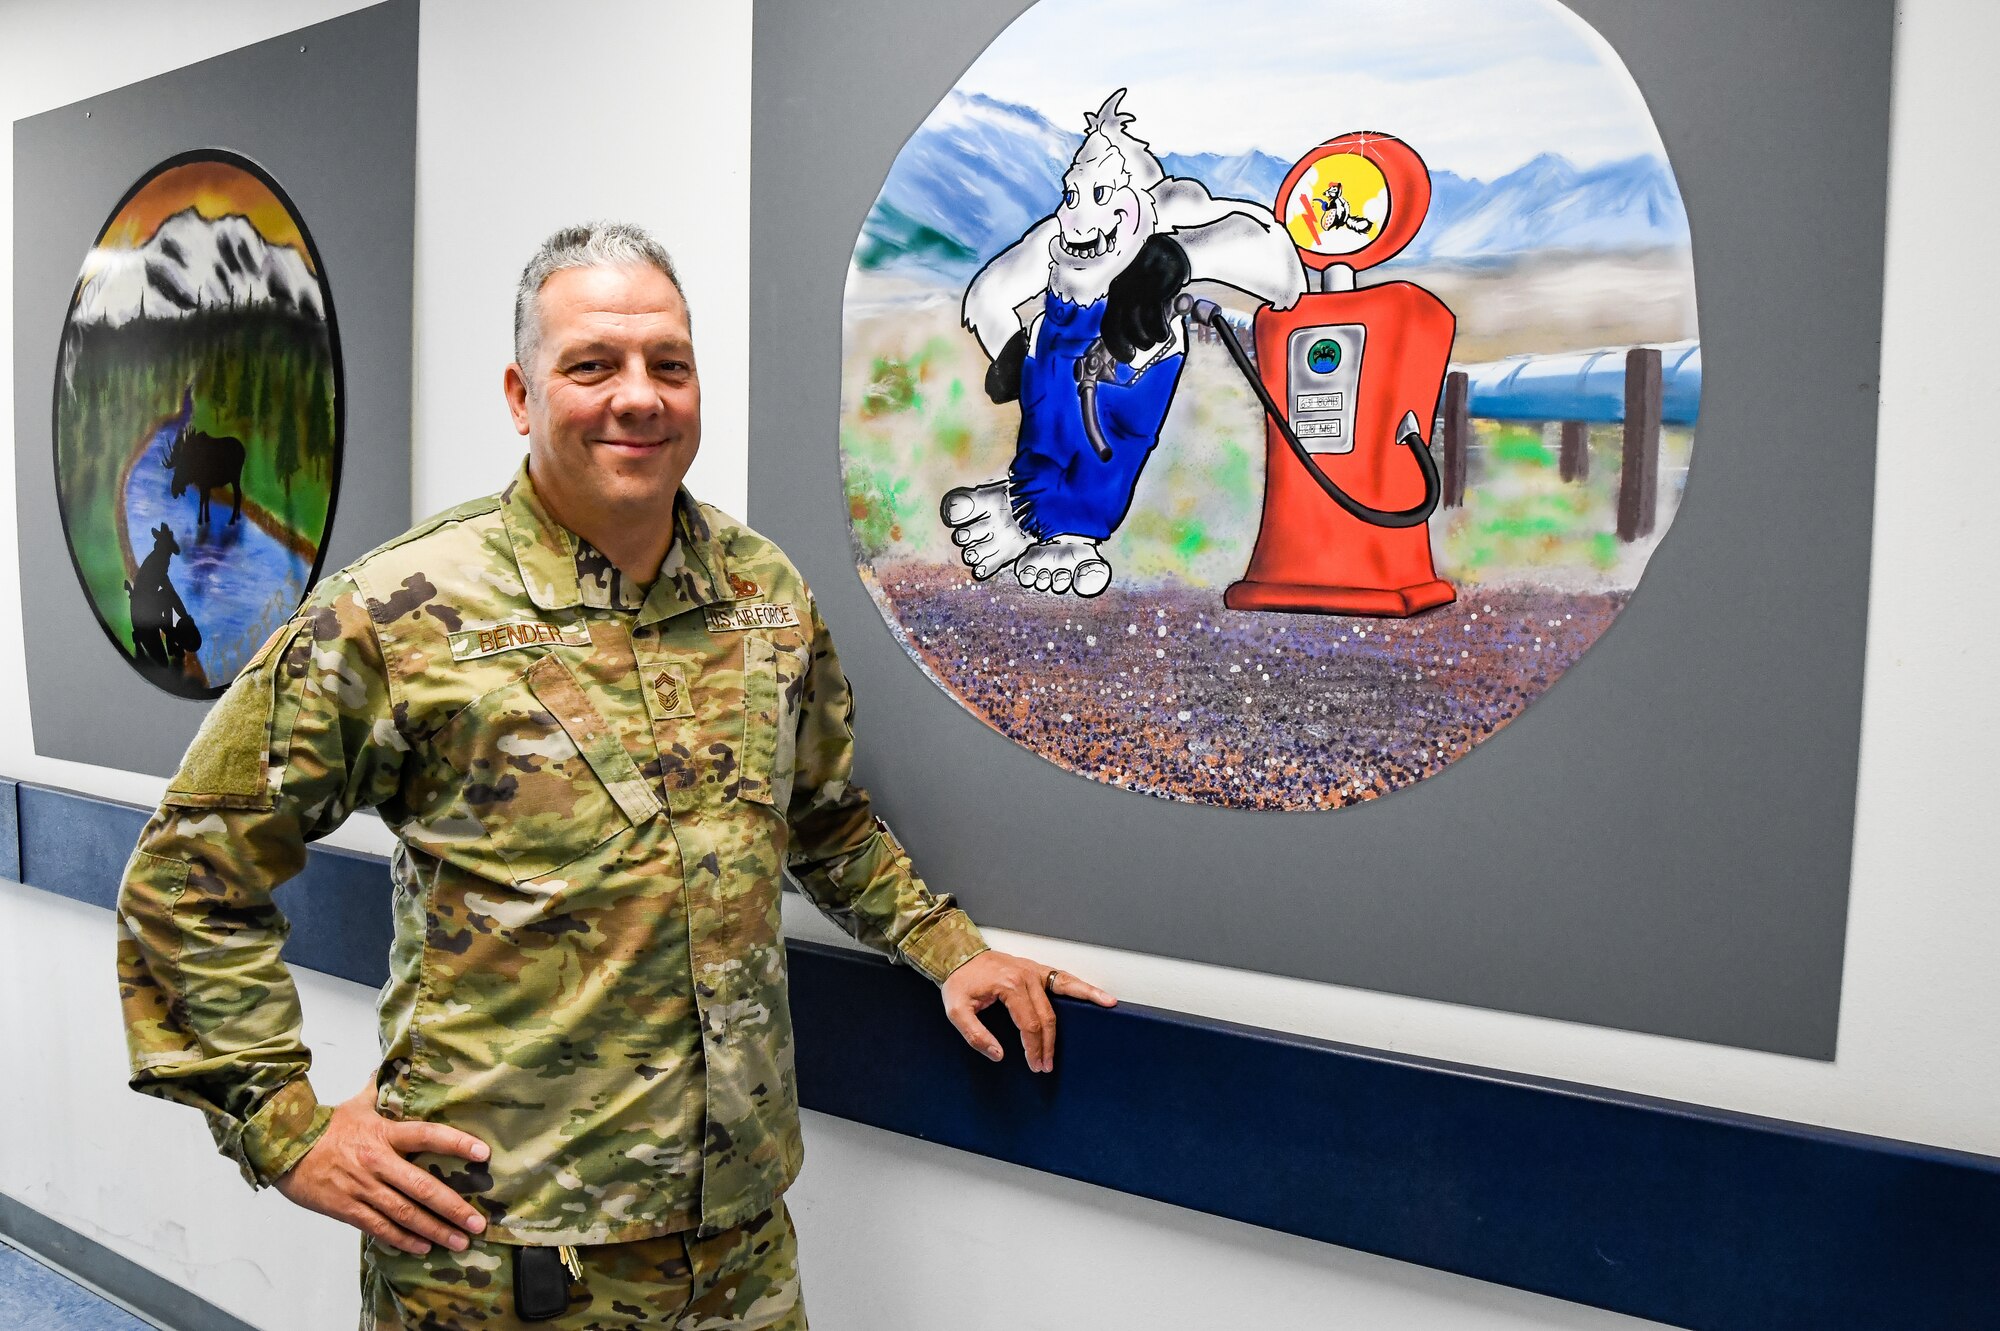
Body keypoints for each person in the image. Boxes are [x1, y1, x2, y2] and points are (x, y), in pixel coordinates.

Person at [114, 221, 1115, 1329]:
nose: (636, 395)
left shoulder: (761, 592)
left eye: (666, 364)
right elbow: (186, 876)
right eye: (591, 364)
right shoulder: (400, 609)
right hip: (498, 1259)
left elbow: (821, 818)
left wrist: (948, 949)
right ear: (521, 392)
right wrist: (285, 1127)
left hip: (736, 1249)